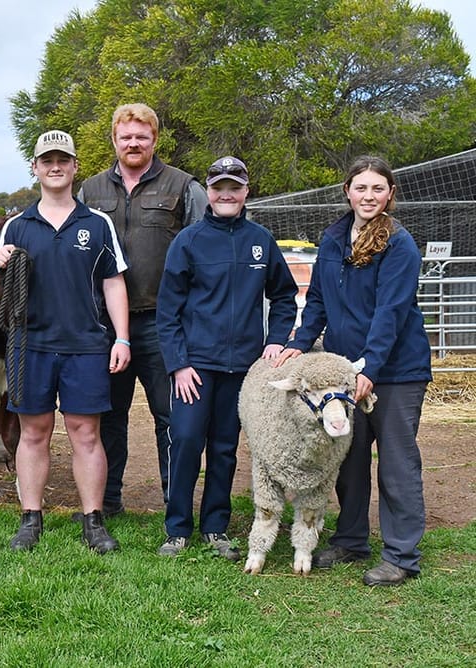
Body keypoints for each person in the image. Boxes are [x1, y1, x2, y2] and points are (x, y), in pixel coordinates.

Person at [275, 156, 430, 586]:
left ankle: (401, 555)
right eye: (361, 188)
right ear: (347, 191)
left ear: (390, 194)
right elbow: (319, 301)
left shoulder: (399, 245)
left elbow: (391, 312)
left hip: (394, 372)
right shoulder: (333, 237)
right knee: (348, 457)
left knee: (396, 463)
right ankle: (352, 539)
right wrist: (298, 344)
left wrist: (371, 369)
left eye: (378, 189)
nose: (368, 196)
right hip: (344, 372)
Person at [0, 130, 131, 554]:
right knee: (33, 433)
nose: (55, 166)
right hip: (29, 346)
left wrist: (121, 337)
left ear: (74, 167)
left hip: (86, 344)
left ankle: (93, 520)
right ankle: (30, 519)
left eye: (63, 160)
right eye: (46, 160)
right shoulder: (16, 226)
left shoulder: (97, 223)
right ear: (34, 168)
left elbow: (113, 284)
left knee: (85, 433)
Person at [156, 156, 297, 560]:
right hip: (195, 367)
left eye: (234, 187)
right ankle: (177, 528)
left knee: (224, 447)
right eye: (219, 187)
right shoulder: (188, 241)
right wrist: (179, 364)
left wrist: (275, 340)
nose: (226, 194)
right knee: (184, 441)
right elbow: (168, 312)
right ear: (209, 191)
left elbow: (284, 295)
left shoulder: (261, 240)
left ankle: (215, 527)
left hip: (242, 369)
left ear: (245, 192)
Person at [78, 102, 208, 515]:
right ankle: (108, 502)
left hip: (163, 324)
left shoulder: (183, 187)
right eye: (126, 137)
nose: (133, 143)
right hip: (104, 327)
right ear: (114, 140)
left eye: (142, 137)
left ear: (155, 139)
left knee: (171, 419)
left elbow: (203, 252)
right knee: (108, 417)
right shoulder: (90, 191)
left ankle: (176, 503)